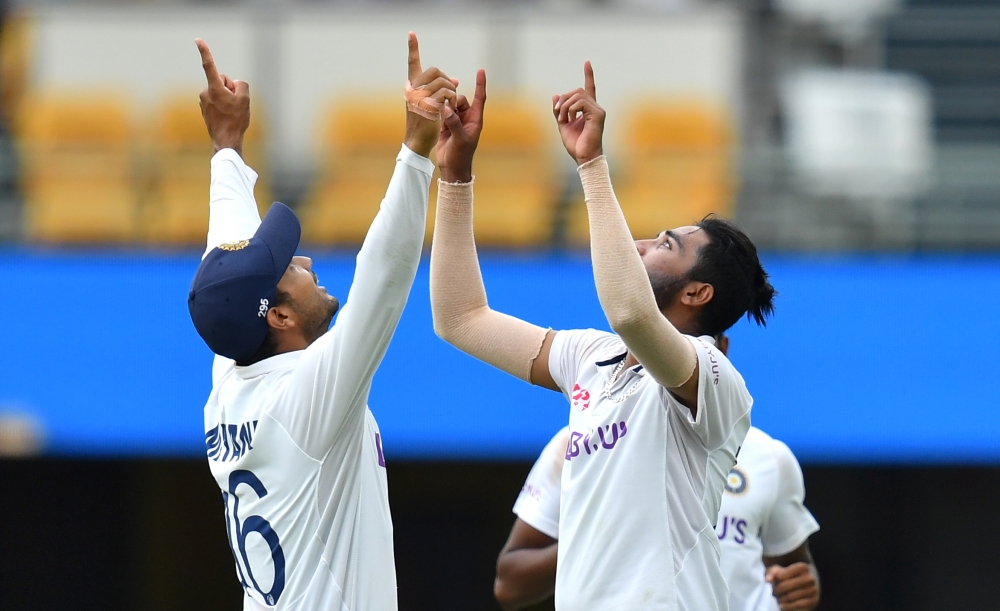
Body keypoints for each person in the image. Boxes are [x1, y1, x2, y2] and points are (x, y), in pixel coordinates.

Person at [430, 61, 775, 610]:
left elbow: (632, 314)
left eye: (665, 244)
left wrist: (591, 164)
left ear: (696, 294)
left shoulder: (714, 378)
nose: (640, 244)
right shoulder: (593, 357)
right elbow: (461, 319)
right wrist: (454, 178)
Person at [186, 35, 457, 610]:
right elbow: (383, 279)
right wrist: (415, 152)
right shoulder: (304, 397)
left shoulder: (233, 376)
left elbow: (226, 269)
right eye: (289, 267)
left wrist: (227, 146)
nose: (305, 260)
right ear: (280, 315)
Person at [493, 336, 821, 611]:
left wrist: (802, 585)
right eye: (652, 338)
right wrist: (604, 532)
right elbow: (510, 583)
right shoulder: (578, 442)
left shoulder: (771, 458)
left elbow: (794, 565)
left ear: (721, 350)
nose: (666, 354)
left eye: (678, 341)